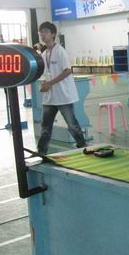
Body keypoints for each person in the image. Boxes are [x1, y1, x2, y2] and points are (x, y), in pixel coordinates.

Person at [36, 21, 87, 155]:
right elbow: (48, 74)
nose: (42, 35)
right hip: (49, 97)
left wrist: (50, 83)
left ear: (53, 34)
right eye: (41, 32)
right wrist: (45, 84)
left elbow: (67, 71)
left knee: (72, 125)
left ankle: (82, 146)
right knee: (45, 127)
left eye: (46, 32)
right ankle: (41, 152)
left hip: (63, 96)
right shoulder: (44, 54)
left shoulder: (60, 51)